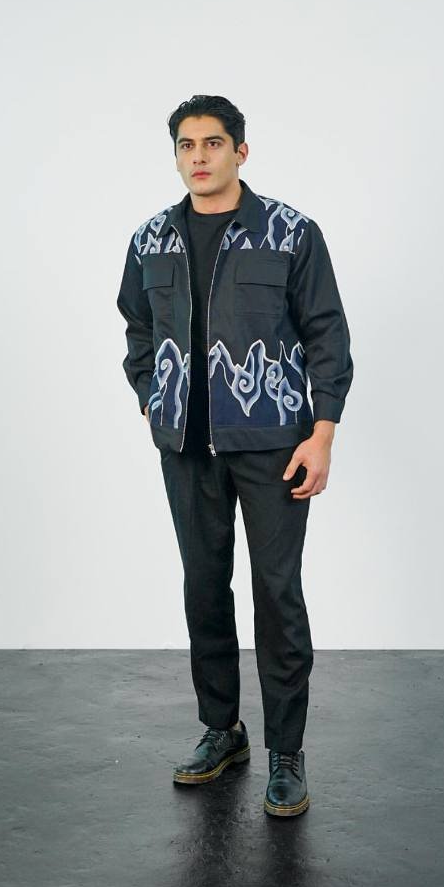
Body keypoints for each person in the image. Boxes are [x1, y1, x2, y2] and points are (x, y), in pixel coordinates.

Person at [116, 95, 353, 817]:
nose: (199, 157)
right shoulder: (151, 239)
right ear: (175, 155)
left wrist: (322, 433)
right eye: (186, 145)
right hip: (186, 447)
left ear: (240, 151)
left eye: (213, 143)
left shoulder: (289, 232)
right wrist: (155, 399)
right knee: (204, 587)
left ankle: (287, 752)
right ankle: (222, 730)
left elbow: (327, 335)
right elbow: (137, 331)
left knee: (277, 595)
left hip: (274, 445)